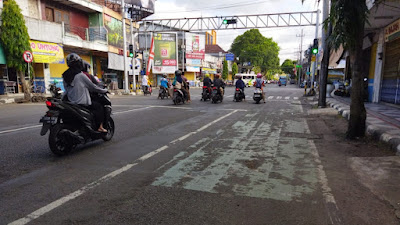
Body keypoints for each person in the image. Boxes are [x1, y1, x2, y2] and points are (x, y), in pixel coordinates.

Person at [62, 53, 108, 132]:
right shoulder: (80, 75)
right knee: (99, 107)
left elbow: (66, 89)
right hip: (82, 103)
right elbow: (93, 87)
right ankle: (100, 127)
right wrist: (105, 90)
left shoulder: (65, 76)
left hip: (71, 102)